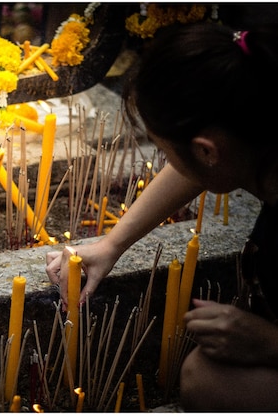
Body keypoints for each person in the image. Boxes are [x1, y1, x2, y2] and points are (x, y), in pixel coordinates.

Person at [45, 22, 278, 411]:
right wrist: (111, 245)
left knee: (206, 380)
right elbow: (192, 168)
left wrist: (269, 344)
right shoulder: (257, 137)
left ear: (206, 151)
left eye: (164, 150)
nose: (166, 163)